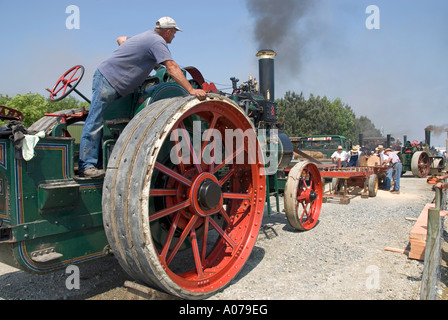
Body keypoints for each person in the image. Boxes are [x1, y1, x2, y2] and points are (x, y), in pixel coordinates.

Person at [78, 17, 207, 178]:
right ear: (167, 31)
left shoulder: (145, 36)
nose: (174, 36)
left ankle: (97, 164)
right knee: (95, 120)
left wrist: (142, 59)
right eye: (174, 32)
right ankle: (87, 166)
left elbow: (121, 39)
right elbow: (172, 67)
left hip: (109, 80)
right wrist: (190, 90)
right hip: (109, 80)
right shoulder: (157, 42)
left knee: (103, 122)